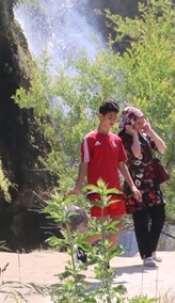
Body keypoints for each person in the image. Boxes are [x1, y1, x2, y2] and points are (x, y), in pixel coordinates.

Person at [69, 100, 142, 255]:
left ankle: (105, 261)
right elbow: (84, 164)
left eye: (115, 117)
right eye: (109, 117)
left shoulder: (116, 140)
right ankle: (80, 248)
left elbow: (122, 165)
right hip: (98, 191)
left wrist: (133, 186)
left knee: (117, 227)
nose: (112, 121)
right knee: (101, 229)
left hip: (115, 190)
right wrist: (78, 186)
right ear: (100, 116)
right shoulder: (90, 139)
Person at [119, 106, 167, 268]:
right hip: (135, 184)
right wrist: (134, 135)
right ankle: (146, 255)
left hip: (151, 183)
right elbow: (136, 154)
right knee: (141, 221)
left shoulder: (144, 135)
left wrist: (150, 131)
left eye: (142, 122)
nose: (141, 126)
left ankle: (151, 250)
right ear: (129, 123)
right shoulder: (122, 138)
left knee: (159, 216)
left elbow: (161, 147)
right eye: (138, 123)